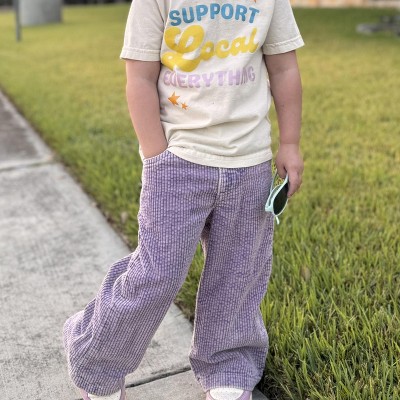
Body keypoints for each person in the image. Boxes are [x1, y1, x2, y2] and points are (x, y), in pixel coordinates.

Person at [63, 0, 304, 399]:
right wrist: (156, 155)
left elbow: (284, 68)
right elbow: (140, 77)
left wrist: (290, 143)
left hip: (250, 162)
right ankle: (97, 360)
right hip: (178, 161)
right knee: (158, 272)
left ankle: (227, 365)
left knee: (238, 273)